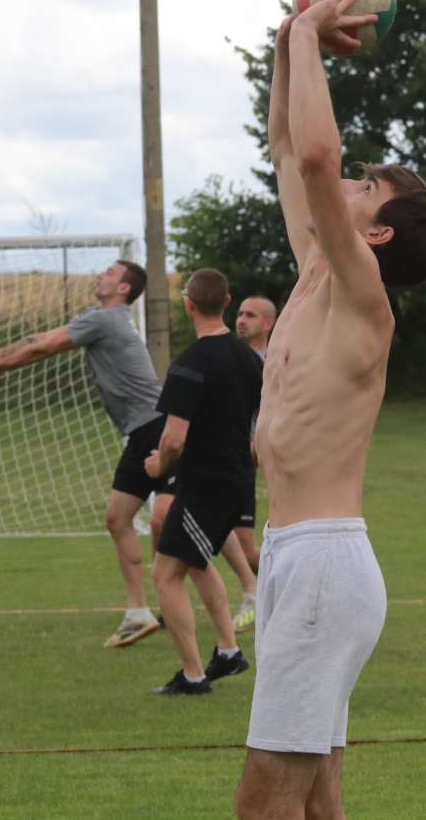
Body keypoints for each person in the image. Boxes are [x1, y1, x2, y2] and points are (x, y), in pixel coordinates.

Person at [235, 0, 426, 820]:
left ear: (380, 233)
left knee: (265, 799)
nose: (349, 183)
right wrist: (294, 47)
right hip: (298, 558)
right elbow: (291, 148)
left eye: (370, 187)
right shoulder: (315, 272)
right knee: (318, 796)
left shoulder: (363, 294)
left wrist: (304, 28)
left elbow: (320, 160)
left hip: (323, 562)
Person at [0, 259, 167, 648]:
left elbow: (45, 346)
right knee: (118, 518)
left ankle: (245, 592)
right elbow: (37, 342)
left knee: (179, 522)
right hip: (141, 432)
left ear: (124, 288)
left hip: (157, 429)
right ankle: (137, 612)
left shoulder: (107, 321)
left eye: (109, 272)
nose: (100, 275)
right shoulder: (96, 316)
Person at [142, 269, 262, 696]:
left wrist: (158, 466)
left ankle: (193, 677)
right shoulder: (250, 358)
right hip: (237, 481)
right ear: (227, 303)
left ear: (188, 304)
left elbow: (174, 438)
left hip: (205, 487)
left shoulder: (190, 364)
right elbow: (263, 423)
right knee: (195, 561)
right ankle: (228, 652)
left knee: (164, 575)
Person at [226, 294, 278, 631]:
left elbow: (274, 412)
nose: (241, 319)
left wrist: (255, 450)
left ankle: (274, 593)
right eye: (240, 313)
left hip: (244, 460)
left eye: (251, 315)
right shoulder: (230, 357)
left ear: (269, 323)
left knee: (242, 548)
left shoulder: (274, 363)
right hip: (226, 457)